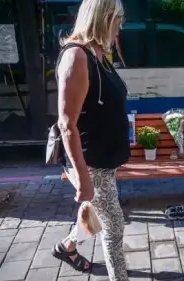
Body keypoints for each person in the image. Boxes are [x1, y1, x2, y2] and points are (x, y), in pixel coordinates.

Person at [51, 0, 130, 280]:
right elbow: (67, 124)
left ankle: (67, 247)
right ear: (104, 18)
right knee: (113, 227)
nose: (120, 26)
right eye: (117, 20)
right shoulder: (77, 56)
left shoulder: (99, 54)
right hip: (90, 163)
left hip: (105, 159)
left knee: (94, 215)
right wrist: (84, 178)